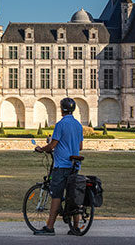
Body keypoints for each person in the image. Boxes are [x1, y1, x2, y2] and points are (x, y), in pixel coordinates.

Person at [33, 97, 84, 236]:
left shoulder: (60, 125)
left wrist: (42, 149)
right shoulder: (78, 125)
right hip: (75, 165)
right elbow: (80, 146)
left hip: (61, 164)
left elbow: (52, 145)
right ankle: (76, 227)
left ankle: (49, 227)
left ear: (62, 109)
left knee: (56, 195)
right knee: (72, 195)